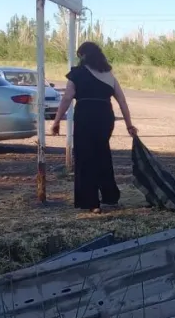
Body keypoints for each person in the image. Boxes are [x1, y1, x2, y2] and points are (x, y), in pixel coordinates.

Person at [52, 42, 138, 213]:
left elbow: (67, 98)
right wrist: (129, 125)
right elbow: (122, 101)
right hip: (105, 117)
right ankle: (110, 196)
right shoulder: (108, 75)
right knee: (102, 154)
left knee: (85, 158)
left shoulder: (77, 74)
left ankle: (91, 202)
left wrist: (56, 121)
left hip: (85, 115)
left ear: (83, 55)